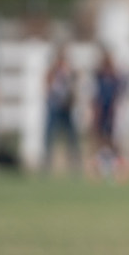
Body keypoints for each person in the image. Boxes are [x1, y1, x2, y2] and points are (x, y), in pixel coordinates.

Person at [90, 49, 129, 181]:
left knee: (114, 140)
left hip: (113, 113)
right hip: (102, 112)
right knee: (100, 139)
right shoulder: (99, 76)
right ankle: (101, 168)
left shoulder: (115, 77)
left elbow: (119, 94)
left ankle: (117, 168)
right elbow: (96, 97)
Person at [44, 45, 82, 175]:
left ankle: (74, 163)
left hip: (67, 108)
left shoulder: (69, 71)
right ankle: (48, 163)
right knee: (50, 135)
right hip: (55, 106)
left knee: (72, 137)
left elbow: (75, 87)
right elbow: (48, 85)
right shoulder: (53, 70)